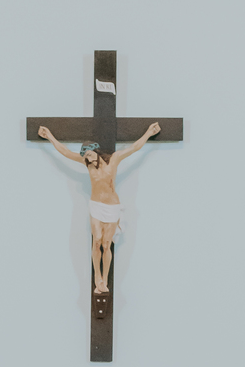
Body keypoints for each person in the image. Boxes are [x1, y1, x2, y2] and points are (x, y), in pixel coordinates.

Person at [37, 120, 161, 293]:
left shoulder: (114, 160)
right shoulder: (88, 166)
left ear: (95, 150)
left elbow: (133, 148)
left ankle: (105, 278)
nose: (87, 158)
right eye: (85, 156)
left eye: (88, 154)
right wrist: (49, 136)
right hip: (96, 206)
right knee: (96, 242)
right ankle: (98, 279)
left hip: (112, 207)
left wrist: (148, 133)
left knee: (106, 243)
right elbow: (65, 152)